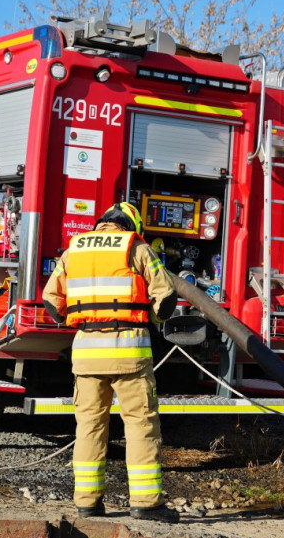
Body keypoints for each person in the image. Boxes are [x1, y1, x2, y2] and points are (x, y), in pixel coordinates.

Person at [42, 202, 180, 521]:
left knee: (90, 426)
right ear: (131, 225)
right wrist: (156, 319)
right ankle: (147, 504)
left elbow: (52, 300)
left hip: (87, 354)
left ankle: (87, 502)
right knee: (140, 424)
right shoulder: (137, 247)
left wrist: (79, 319)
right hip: (129, 352)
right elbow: (167, 297)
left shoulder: (74, 249)